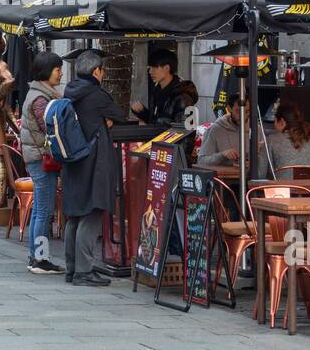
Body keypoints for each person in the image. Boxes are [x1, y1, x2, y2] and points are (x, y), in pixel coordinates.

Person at [61, 50, 124, 286]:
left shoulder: (70, 91)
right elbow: (119, 114)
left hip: (73, 162)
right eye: (103, 70)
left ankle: (72, 268)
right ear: (96, 71)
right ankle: (84, 272)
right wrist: (106, 121)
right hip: (95, 162)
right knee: (92, 212)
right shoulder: (97, 95)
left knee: (75, 215)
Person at [20, 51, 65, 275]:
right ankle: (40, 259)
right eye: (58, 70)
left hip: (36, 157)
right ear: (47, 71)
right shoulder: (40, 98)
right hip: (42, 159)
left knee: (40, 209)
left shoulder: (40, 93)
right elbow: (49, 127)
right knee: (44, 211)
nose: (60, 73)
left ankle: (35, 257)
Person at [130, 48, 186, 126]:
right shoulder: (157, 90)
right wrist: (142, 112)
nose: (150, 72)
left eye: (154, 68)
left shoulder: (182, 93)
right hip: (157, 136)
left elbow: (180, 126)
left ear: (166, 68)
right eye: (149, 68)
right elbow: (155, 120)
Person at [269, 102, 310, 171]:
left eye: (275, 120)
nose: (274, 124)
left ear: (282, 122)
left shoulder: (272, 140)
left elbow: (260, 174)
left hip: (281, 182)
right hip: (308, 182)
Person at [198, 95, 243, 166]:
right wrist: (222, 155)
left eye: (247, 112)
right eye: (238, 111)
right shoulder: (215, 130)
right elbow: (201, 162)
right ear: (229, 108)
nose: (243, 116)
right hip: (225, 176)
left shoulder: (256, 130)